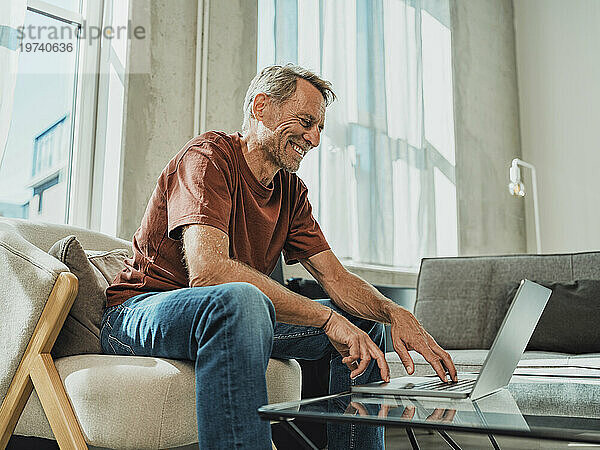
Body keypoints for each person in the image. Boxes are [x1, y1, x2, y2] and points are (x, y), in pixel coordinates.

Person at [102, 64, 457, 450]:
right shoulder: (207, 159)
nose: (315, 139)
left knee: (361, 322)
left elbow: (336, 279)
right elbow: (209, 273)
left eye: (320, 127)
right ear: (261, 107)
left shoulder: (291, 191)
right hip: (138, 313)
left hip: (234, 316)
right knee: (242, 300)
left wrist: (394, 313)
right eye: (306, 122)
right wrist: (325, 318)